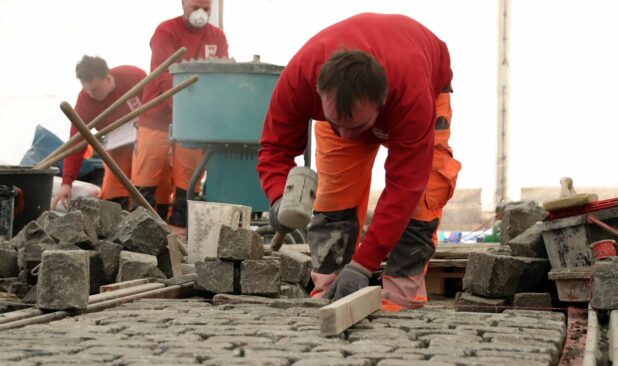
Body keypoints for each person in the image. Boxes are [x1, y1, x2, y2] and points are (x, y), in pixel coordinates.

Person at [257, 13, 461, 311]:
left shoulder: (412, 98)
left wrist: (364, 265)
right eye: (336, 124)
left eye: (355, 128)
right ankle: (328, 294)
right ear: (319, 93)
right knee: (333, 202)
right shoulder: (300, 77)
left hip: (424, 79)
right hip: (351, 103)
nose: (346, 136)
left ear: (383, 103)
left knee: (422, 201)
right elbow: (274, 149)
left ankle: (400, 299)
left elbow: (405, 187)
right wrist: (279, 199)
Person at [132, 0, 229, 229]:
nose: (200, 13)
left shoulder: (217, 37)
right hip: (156, 115)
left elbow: (222, 75)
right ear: (183, 4)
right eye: (196, 7)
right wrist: (185, 109)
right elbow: (164, 75)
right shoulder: (166, 31)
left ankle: (180, 229)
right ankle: (141, 228)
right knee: (148, 172)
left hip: (194, 122)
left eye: (206, 9)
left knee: (190, 175)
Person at [51, 55, 172, 215]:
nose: (90, 94)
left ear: (108, 78)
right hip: (116, 148)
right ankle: (119, 220)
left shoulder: (134, 77)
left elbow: (161, 108)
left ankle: (162, 216)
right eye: (86, 89)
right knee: (115, 184)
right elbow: (75, 143)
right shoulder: (85, 101)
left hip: (146, 140)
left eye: (94, 89)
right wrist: (67, 182)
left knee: (157, 174)